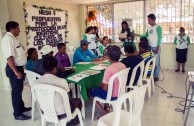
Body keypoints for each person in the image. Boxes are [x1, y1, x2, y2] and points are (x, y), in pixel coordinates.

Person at [33, 56, 82, 125]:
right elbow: (68, 99)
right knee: (78, 101)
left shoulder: (36, 83)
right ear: (55, 69)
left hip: (46, 112)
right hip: (63, 113)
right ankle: (72, 121)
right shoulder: (62, 81)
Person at [1, 21, 31, 120]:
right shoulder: (8, 39)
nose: (19, 30)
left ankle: (21, 108)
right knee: (16, 92)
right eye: (18, 28)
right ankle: (17, 114)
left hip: (19, 67)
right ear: (12, 29)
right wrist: (16, 71)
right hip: (14, 68)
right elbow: (9, 58)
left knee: (19, 89)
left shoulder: (13, 39)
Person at [89, 45, 126, 118]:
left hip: (112, 96)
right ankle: (107, 106)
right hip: (120, 93)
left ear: (108, 57)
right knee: (105, 87)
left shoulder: (109, 69)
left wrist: (101, 85)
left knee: (90, 92)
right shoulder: (123, 65)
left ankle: (103, 111)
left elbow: (104, 88)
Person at [135, 14, 162, 81]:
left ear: (153, 20)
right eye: (148, 20)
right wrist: (138, 35)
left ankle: (156, 76)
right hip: (149, 47)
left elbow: (159, 38)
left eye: (149, 20)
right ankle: (150, 75)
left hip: (155, 47)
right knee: (150, 62)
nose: (148, 21)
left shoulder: (158, 27)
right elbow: (145, 36)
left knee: (157, 62)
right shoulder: (149, 28)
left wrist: (158, 47)